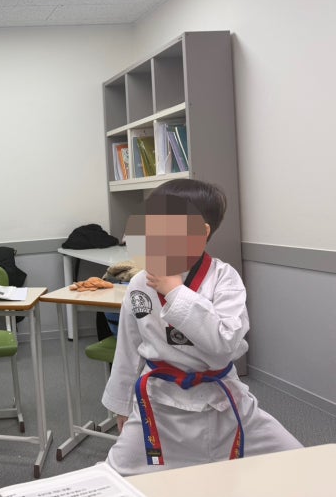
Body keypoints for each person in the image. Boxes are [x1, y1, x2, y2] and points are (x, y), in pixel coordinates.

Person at [101, 178, 301, 475]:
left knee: (297, 463)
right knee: (115, 476)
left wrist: (176, 292)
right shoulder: (140, 283)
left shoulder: (224, 278)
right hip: (160, 404)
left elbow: (225, 342)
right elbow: (129, 348)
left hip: (223, 404)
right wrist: (121, 405)